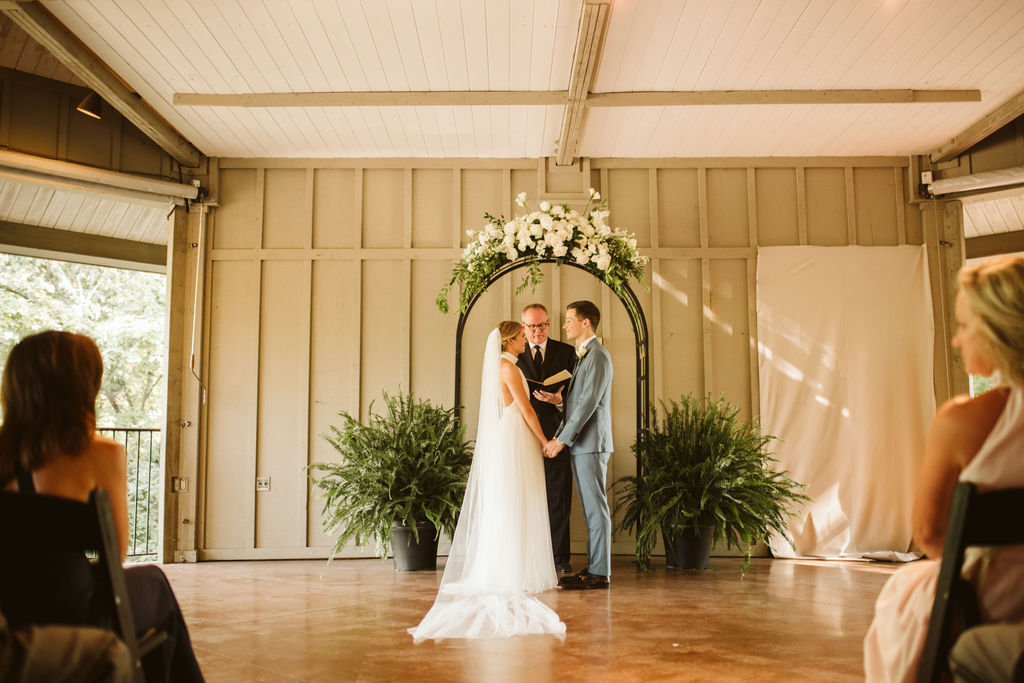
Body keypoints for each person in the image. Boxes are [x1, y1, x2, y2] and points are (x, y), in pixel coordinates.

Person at [0, 330, 204, 683]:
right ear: (79, 388)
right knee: (155, 584)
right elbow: (116, 554)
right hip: (74, 611)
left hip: (10, 615)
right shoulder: (99, 453)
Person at [864, 256, 1024, 682]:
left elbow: (932, 536)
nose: (957, 341)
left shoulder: (963, 420)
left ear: (999, 329)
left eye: (965, 325)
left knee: (906, 595)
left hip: (993, 601)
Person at [409, 321, 565, 642]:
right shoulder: (507, 368)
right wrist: (545, 440)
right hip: (515, 437)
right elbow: (527, 410)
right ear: (509, 341)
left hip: (510, 436)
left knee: (516, 501)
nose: (526, 340)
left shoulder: (506, 365)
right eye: (522, 336)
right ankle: (511, 569)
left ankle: (517, 566)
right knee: (514, 501)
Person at [544, 301, 614, 591]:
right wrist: (560, 402)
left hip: (591, 443)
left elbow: (587, 405)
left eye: (569, 319)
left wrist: (560, 440)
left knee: (596, 509)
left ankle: (599, 574)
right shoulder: (585, 356)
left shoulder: (598, 356)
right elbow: (577, 402)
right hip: (582, 444)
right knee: (589, 508)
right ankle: (595, 569)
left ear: (586, 323)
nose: (565, 325)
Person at [517, 303, 577, 575]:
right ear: (523, 328)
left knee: (558, 496)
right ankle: (526, 554)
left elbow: (580, 394)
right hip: (521, 434)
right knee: (523, 496)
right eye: (531, 326)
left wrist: (559, 399)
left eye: (542, 325)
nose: (537, 331)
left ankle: (559, 557)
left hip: (556, 433)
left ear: (549, 324)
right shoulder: (514, 355)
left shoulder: (566, 352)